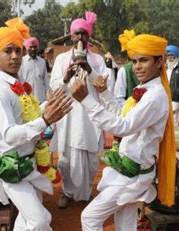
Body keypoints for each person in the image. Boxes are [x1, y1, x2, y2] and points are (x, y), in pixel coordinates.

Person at [69, 29, 176, 231]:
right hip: (130, 170)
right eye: (134, 61)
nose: (137, 66)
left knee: (89, 218)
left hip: (132, 175)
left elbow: (124, 126)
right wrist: (103, 92)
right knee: (127, 230)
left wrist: (86, 99)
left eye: (144, 60)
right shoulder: (145, 91)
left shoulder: (155, 95)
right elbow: (122, 112)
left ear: (159, 62)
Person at [0, 18, 73, 231]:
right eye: (8, 51)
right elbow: (11, 135)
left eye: (18, 50)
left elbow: (34, 115)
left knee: (27, 222)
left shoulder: (20, 87)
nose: (15, 56)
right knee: (39, 219)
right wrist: (46, 119)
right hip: (11, 168)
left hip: (29, 164)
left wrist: (61, 91)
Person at [49, 11, 110, 209]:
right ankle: (67, 192)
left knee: (90, 158)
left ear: (89, 36)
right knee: (66, 158)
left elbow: (104, 85)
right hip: (68, 115)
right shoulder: (61, 60)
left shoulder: (98, 60)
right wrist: (67, 77)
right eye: (77, 33)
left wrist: (89, 69)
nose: (80, 37)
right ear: (71, 35)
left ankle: (86, 194)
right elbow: (54, 88)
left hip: (90, 117)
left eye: (84, 33)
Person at [19, 37, 49, 103]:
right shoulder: (22, 61)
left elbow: (46, 81)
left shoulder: (42, 62)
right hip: (27, 99)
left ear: (37, 48)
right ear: (27, 48)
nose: (33, 49)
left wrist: (48, 96)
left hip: (40, 99)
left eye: (35, 47)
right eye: (31, 47)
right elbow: (19, 80)